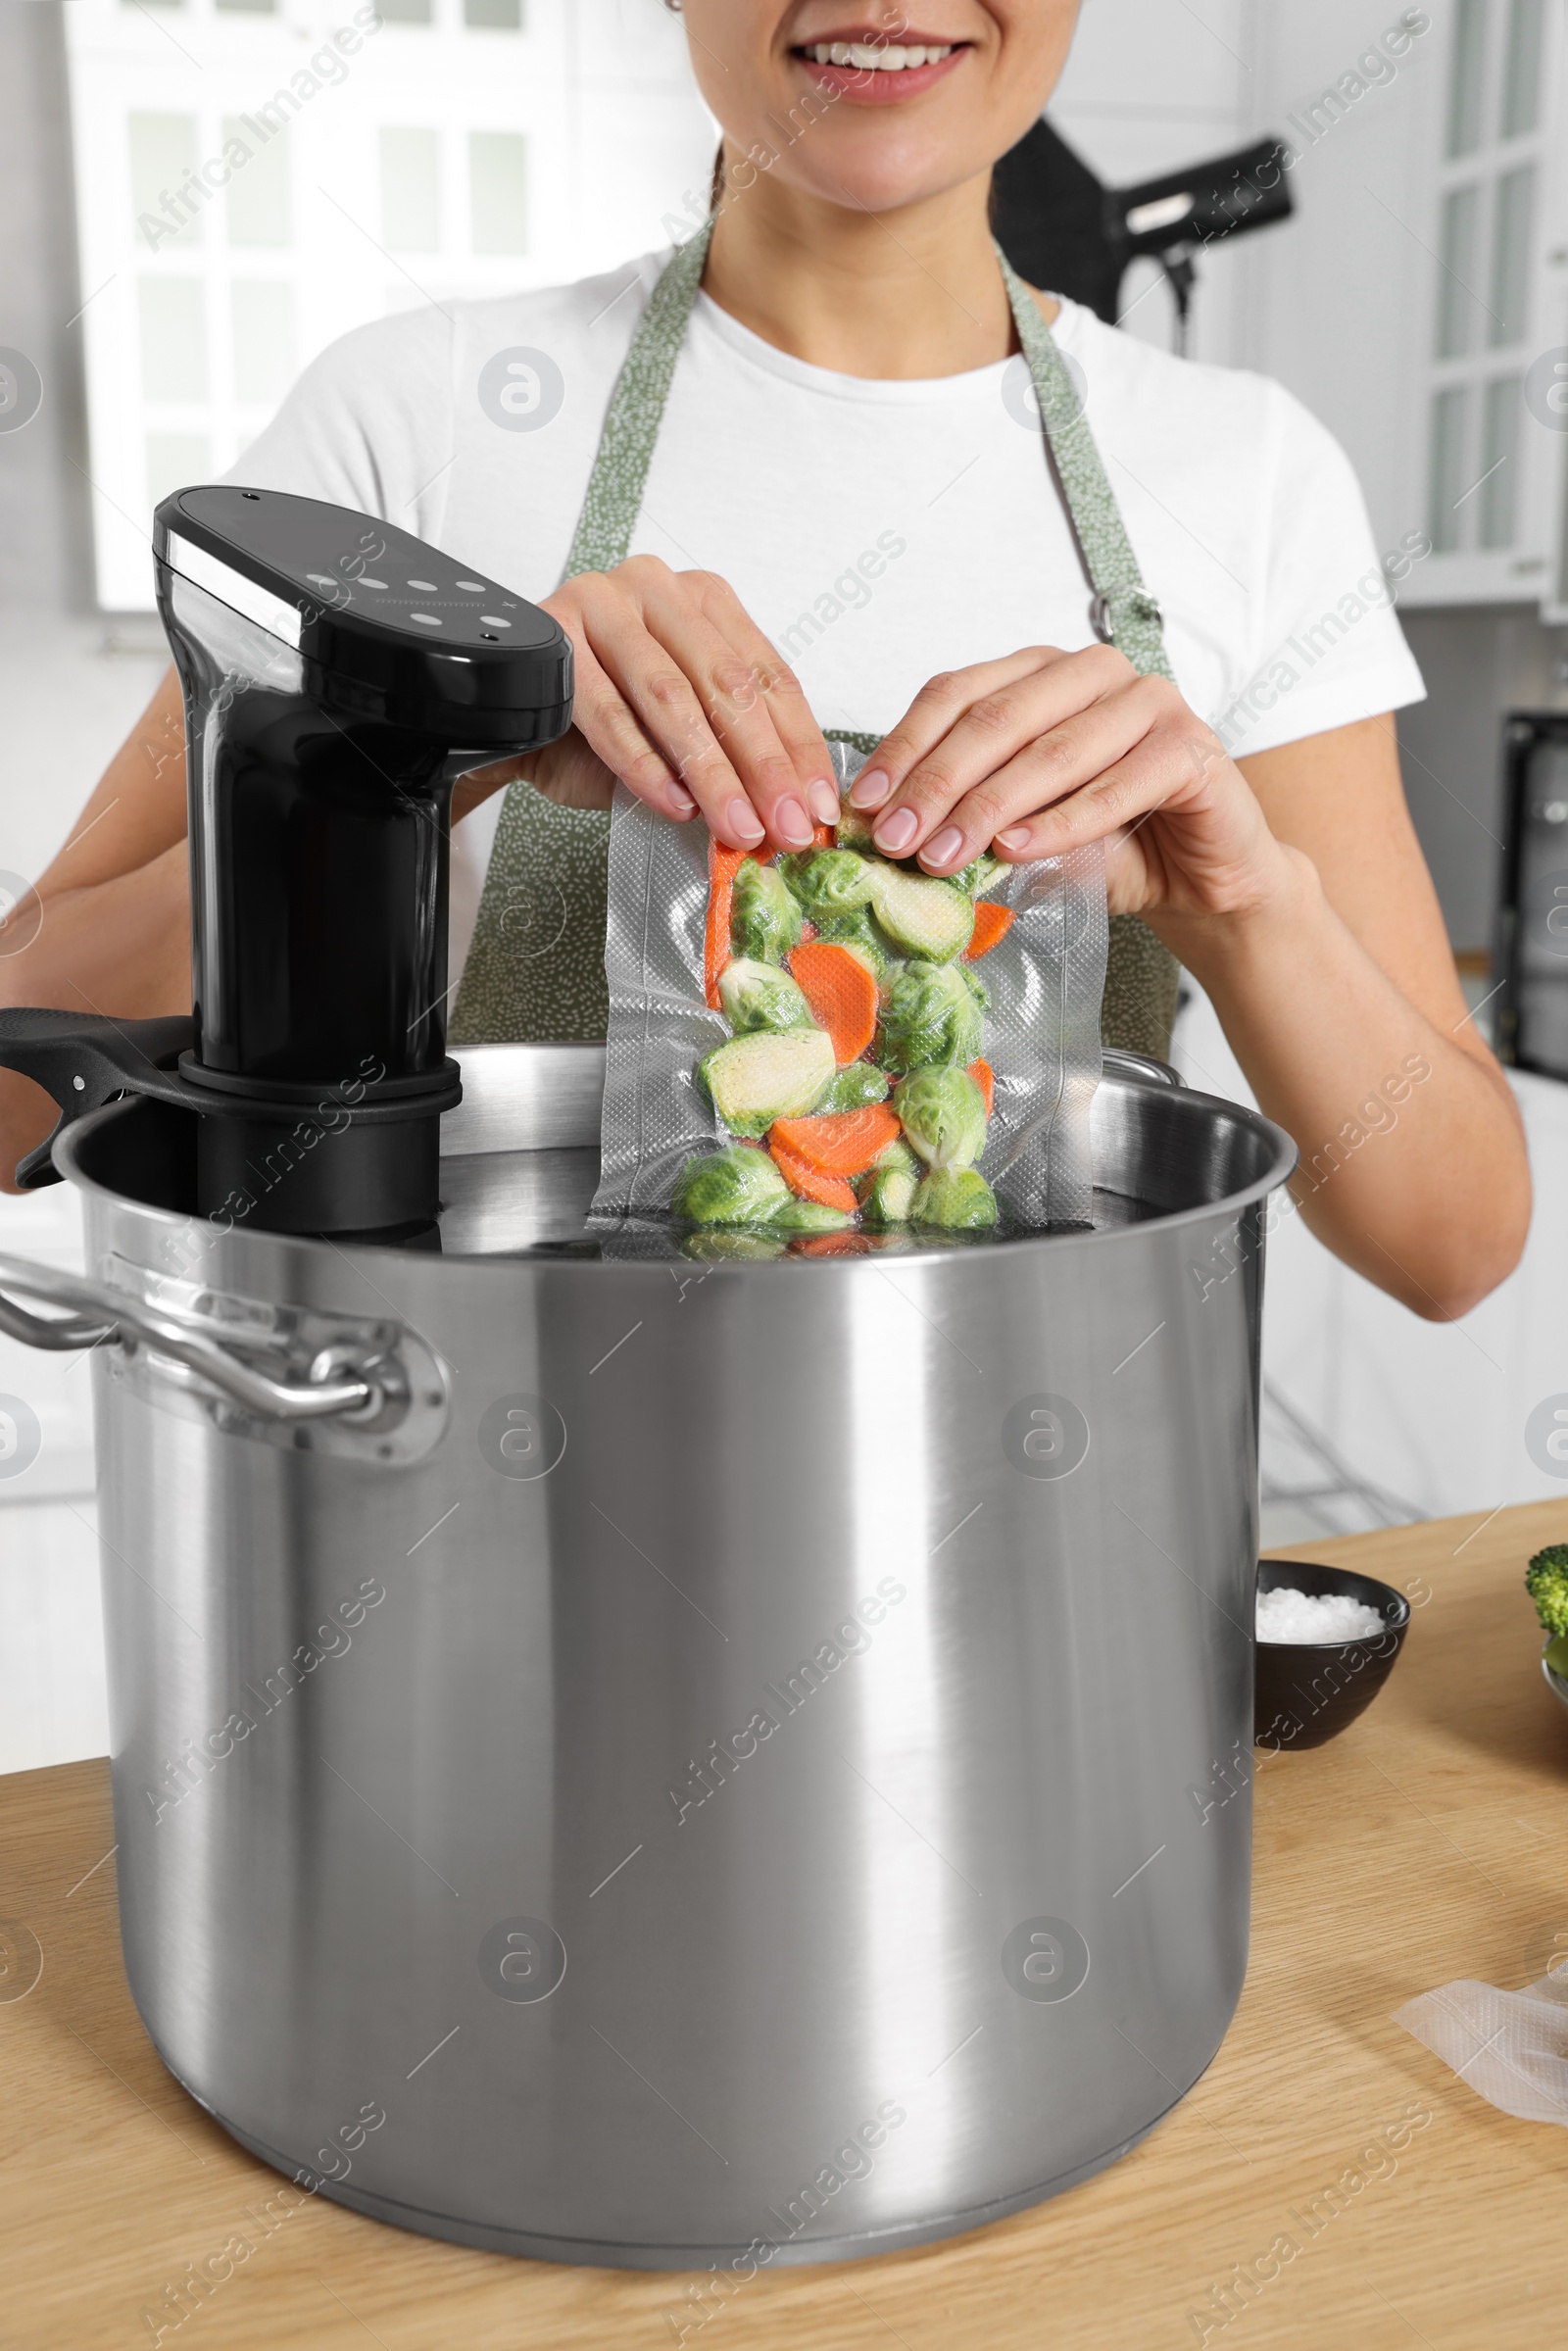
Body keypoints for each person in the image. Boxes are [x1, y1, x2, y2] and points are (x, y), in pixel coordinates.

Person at [0, 2, 1529, 1315]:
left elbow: (1451, 1248)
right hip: (496, 1519)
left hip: (1058, 1530)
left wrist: (1249, 904)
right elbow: (16, 1092)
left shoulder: (1245, 470)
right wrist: (408, 763)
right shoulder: (413, 421)